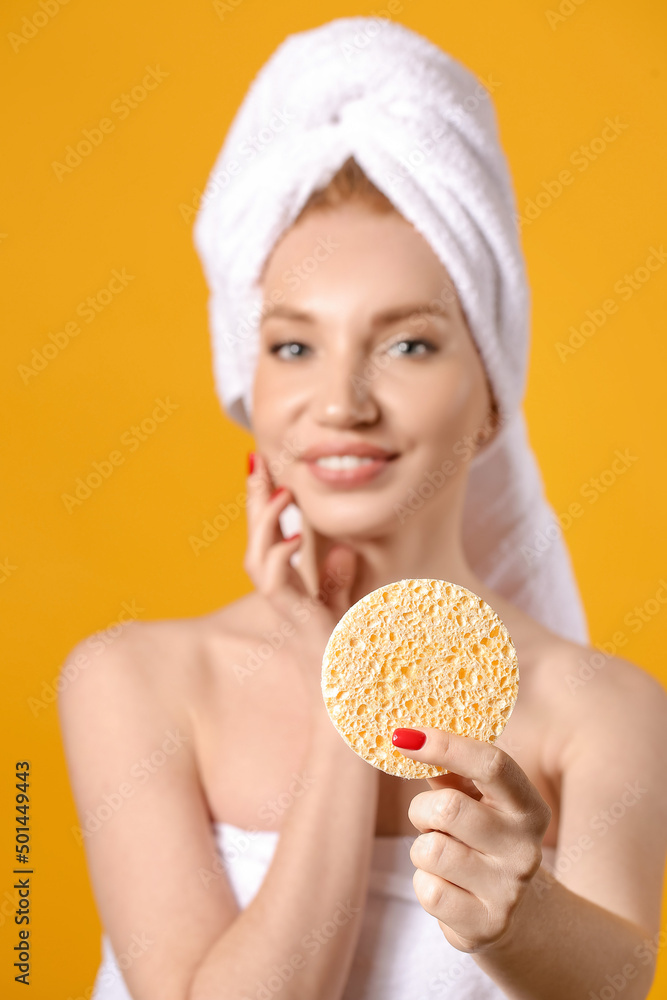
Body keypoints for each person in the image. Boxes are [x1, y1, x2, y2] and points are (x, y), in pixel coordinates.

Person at [58, 17, 667, 1000]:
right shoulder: (131, 680)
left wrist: (519, 919)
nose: (340, 402)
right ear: (248, 378)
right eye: (294, 346)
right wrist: (357, 693)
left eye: (409, 344)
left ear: (490, 399)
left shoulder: (604, 712)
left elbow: (616, 984)